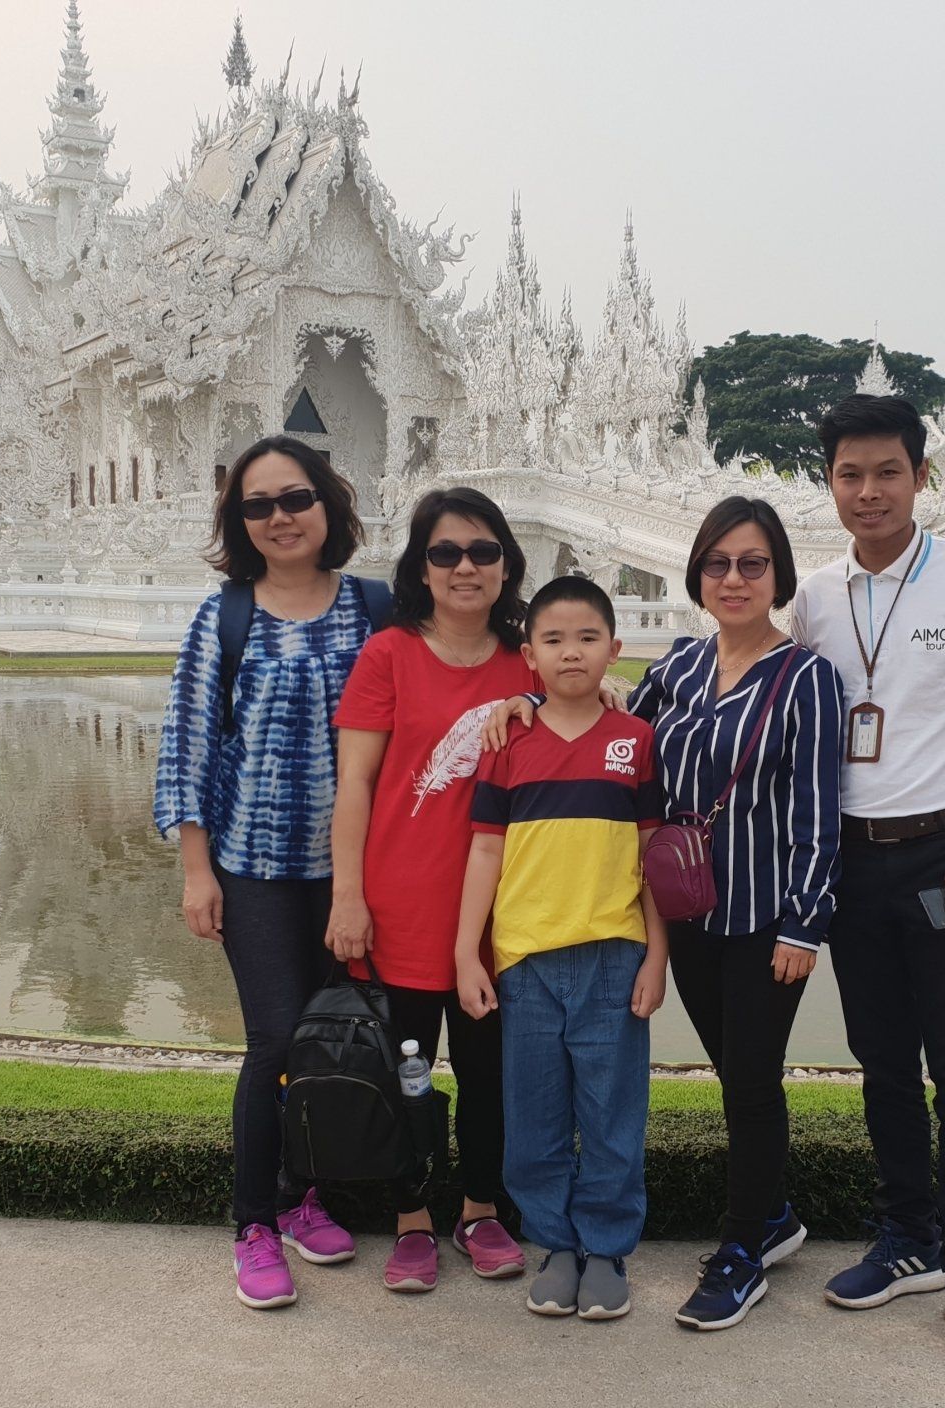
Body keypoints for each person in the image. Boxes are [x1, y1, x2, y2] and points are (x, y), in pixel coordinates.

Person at [789, 394, 945, 1366]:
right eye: (850, 474)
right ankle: (906, 1238)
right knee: (881, 1061)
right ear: (832, 483)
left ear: (921, 477)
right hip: (853, 859)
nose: (869, 490)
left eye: (887, 471)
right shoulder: (813, 596)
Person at [153, 434, 377, 1310]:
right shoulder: (226, 617)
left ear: (327, 506)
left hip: (354, 872)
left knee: (334, 1042)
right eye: (259, 505)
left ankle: (306, 1194)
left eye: (296, 499)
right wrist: (195, 872)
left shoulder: (373, 608)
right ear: (240, 521)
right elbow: (187, 747)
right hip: (251, 867)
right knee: (275, 1040)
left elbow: (446, 691)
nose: (281, 517)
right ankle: (255, 1219)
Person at [626, 498, 843, 1330]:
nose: (734, 579)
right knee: (732, 1072)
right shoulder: (677, 668)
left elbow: (819, 814)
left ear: (778, 576)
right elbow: (618, 741)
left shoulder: (807, 679)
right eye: (717, 563)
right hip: (686, 911)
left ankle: (742, 1251)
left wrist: (804, 925)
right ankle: (778, 1217)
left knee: (752, 1083)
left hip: (763, 921)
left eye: (752, 564)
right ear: (697, 575)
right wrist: (534, 707)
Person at [329, 487, 539, 1293]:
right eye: (446, 552)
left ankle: (481, 1209)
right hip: (402, 910)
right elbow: (356, 784)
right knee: (407, 1078)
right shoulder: (388, 654)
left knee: (489, 1078)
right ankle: (412, 1218)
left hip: (501, 918)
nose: (465, 567)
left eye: (483, 551)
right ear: (422, 565)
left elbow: (591, 716)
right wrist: (349, 897)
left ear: (507, 565)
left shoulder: (529, 659)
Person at [454, 575, 669, 1323]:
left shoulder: (635, 741)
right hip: (526, 960)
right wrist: (466, 953)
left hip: (614, 954)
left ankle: (607, 1249)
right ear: (530, 655)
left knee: (613, 1116)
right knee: (535, 1118)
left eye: (586, 638)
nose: (571, 652)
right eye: (553, 639)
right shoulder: (507, 741)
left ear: (614, 649)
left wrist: (658, 955)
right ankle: (556, 1245)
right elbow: (484, 855)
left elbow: (652, 860)